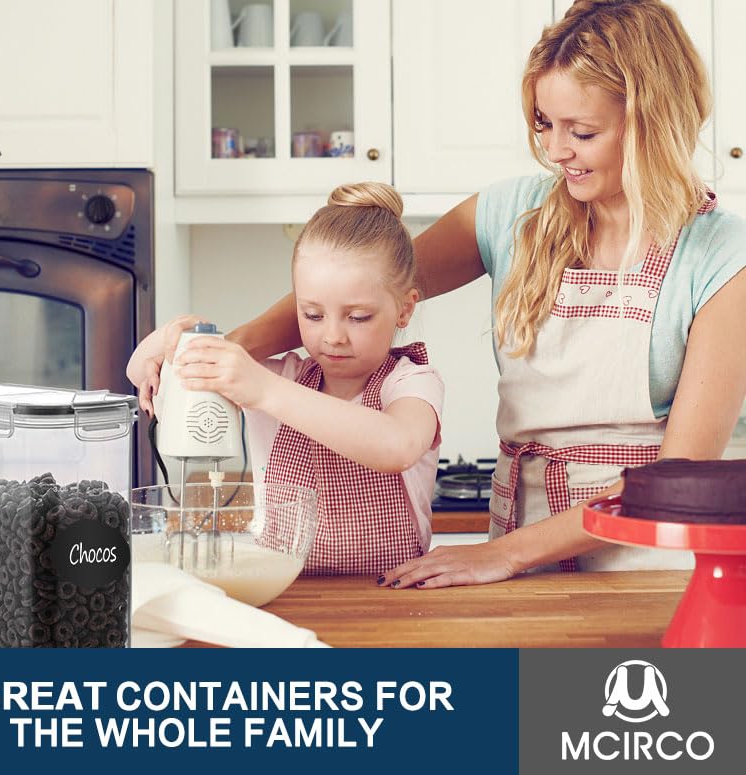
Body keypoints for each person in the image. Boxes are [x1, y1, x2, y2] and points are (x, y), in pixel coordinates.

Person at [187, 0, 746, 587]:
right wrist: (213, 353)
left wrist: (504, 554)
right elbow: (366, 281)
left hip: (641, 559)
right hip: (514, 544)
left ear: (653, 121)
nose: (556, 151)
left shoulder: (720, 256)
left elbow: (679, 473)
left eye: (581, 132)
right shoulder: (509, 214)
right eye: (543, 125)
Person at [127, 182, 444, 576]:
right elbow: (137, 367)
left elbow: (396, 446)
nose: (333, 336)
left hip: (390, 597)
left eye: (358, 317)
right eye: (312, 315)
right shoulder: (287, 375)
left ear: (404, 309)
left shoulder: (411, 382)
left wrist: (265, 391)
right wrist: (171, 340)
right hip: (281, 589)